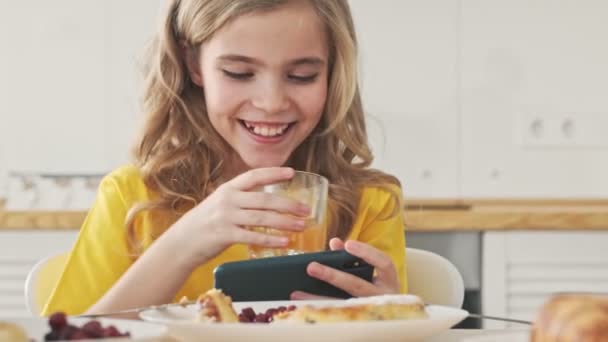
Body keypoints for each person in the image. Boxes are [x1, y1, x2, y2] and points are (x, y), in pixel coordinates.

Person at [42, 0, 407, 316]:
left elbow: (388, 322)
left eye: (302, 76)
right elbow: (69, 335)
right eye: (239, 73)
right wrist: (181, 246)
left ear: (332, 73)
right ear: (193, 64)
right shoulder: (133, 196)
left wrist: (395, 323)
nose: (271, 102)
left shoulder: (370, 203)